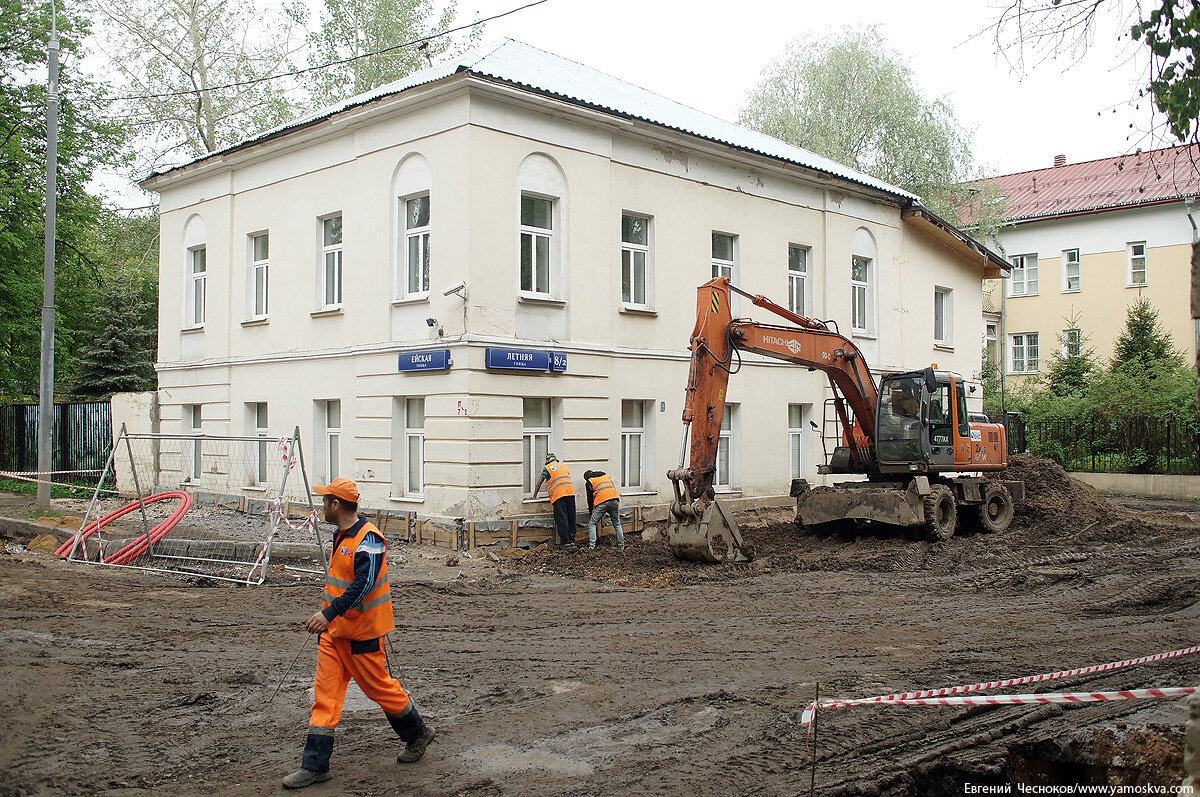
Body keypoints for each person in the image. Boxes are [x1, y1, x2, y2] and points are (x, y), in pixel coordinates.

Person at [282, 477, 435, 790]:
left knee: (380, 689)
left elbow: (363, 585)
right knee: (325, 698)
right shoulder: (342, 535)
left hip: (361, 635)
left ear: (336, 505)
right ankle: (314, 766)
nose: (323, 505)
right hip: (335, 635)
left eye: (326, 501)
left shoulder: (370, 540)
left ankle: (417, 734)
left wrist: (328, 613)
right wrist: (331, 619)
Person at [532, 453, 576, 547]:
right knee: (571, 516)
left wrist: (534, 495)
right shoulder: (564, 466)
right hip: (570, 493)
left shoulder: (548, 468)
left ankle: (566, 541)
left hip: (558, 495)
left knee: (562, 517)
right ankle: (572, 539)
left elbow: (539, 482)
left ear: (548, 461)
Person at [584, 469, 625, 551]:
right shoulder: (606, 477)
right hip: (615, 499)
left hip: (602, 502)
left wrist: (591, 511)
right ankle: (621, 546)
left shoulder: (590, 481)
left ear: (586, 477)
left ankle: (591, 547)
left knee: (592, 524)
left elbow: (590, 498)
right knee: (617, 523)